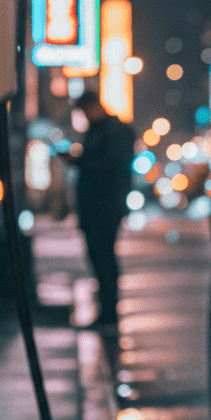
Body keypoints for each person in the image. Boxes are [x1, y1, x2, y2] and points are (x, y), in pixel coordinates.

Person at [69, 90, 135, 330]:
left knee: (104, 256)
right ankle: (107, 310)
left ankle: (109, 312)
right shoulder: (100, 130)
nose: (85, 116)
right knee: (100, 257)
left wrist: (78, 161)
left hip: (105, 205)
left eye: (85, 111)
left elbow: (111, 166)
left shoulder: (114, 131)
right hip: (97, 205)